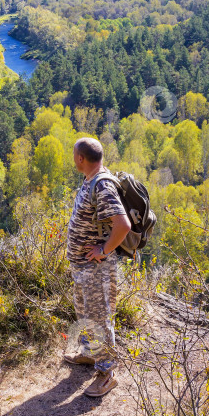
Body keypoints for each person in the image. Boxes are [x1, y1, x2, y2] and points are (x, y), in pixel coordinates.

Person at [64, 137, 131, 397]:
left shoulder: (102, 185)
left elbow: (122, 225)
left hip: (96, 269)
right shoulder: (91, 179)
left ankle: (107, 374)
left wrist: (103, 250)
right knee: (84, 313)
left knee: (99, 319)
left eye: (74, 154)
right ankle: (89, 354)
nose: (73, 158)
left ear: (81, 158)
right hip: (83, 266)